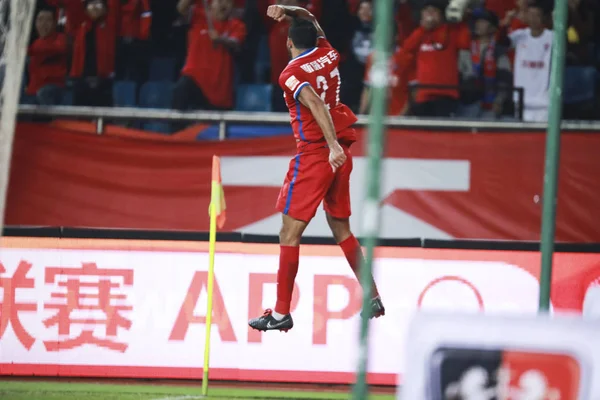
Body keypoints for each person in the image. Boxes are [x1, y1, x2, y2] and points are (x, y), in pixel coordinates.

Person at [248, 4, 384, 332]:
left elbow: (314, 103)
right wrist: (290, 9)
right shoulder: (327, 51)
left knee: (289, 233)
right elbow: (309, 18)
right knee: (342, 230)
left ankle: (281, 312)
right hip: (340, 153)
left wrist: (332, 146)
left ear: (289, 43)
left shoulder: (290, 73)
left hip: (316, 155)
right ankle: (372, 295)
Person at [505, 1, 553, 122]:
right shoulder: (520, 35)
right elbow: (502, 43)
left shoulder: (553, 37)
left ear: (544, 18)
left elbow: (573, 40)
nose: (533, 19)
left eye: (537, 15)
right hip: (521, 101)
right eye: (530, 15)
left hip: (544, 103)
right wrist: (505, 24)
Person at [25, 8, 68, 106]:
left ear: (55, 23)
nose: (43, 24)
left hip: (55, 90)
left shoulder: (61, 39)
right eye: (40, 20)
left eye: (48, 20)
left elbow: (56, 48)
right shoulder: (36, 43)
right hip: (33, 92)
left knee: (44, 93)